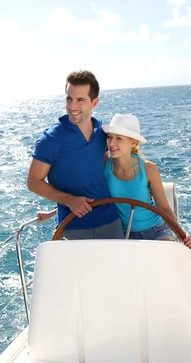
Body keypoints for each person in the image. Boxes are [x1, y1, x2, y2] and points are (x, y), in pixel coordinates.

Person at [27, 70, 123, 240]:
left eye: (80, 100)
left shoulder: (102, 133)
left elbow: (107, 168)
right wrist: (70, 201)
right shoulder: (51, 139)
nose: (72, 106)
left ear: (94, 103)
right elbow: (33, 181)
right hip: (72, 226)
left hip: (111, 221)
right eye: (69, 99)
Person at [103, 113, 191, 249]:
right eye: (109, 137)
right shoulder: (104, 167)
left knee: (162, 259)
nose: (112, 143)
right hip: (124, 235)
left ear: (133, 142)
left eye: (119, 138)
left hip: (157, 231)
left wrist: (181, 234)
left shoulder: (149, 168)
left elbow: (164, 208)